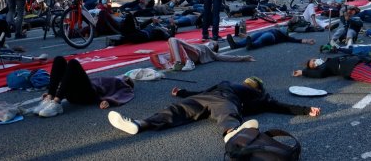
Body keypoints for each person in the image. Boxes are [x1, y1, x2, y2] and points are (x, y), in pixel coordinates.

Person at [107, 76, 321, 137]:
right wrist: (182, 92)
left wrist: (303, 110)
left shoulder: (251, 92)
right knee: (177, 110)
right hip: (213, 98)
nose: (248, 82)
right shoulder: (238, 88)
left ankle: (141, 124)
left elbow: (277, 105)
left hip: (213, 98)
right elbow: (277, 105)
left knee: (177, 111)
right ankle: (137, 124)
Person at [32, 56, 135, 118]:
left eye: (125, 77)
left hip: (89, 95)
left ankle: (56, 103)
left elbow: (124, 94)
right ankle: (50, 97)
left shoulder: (122, 82)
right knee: (59, 59)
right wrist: (55, 91)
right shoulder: (111, 78)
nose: (123, 76)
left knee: (73, 63)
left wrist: (109, 100)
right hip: (77, 92)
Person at [293, 55, 371, 92]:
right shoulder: (324, 67)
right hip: (352, 69)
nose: (315, 63)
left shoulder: (329, 59)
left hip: (362, 62)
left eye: (314, 61)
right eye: (313, 65)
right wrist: (303, 72)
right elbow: (318, 74)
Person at [159, 37, 255, 71]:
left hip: (195, 55)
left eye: (213, 43)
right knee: (157, 56)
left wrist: (243, 58)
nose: (211, 42)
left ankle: (180, 62)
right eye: (211, 41)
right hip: (186, 53)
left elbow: (226, 57)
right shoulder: (200, 44)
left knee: (172, 39)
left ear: (214, 47)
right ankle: (175, 63)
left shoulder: (211, 52)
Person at [226, 28, 315, 50]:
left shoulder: (284, 36)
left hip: (272, 37)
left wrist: (307, 40)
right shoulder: (277, 29)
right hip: (266, 32)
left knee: (262, 38)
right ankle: (236, 45)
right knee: (254, 36)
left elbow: (295, 40)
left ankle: (252, 45)